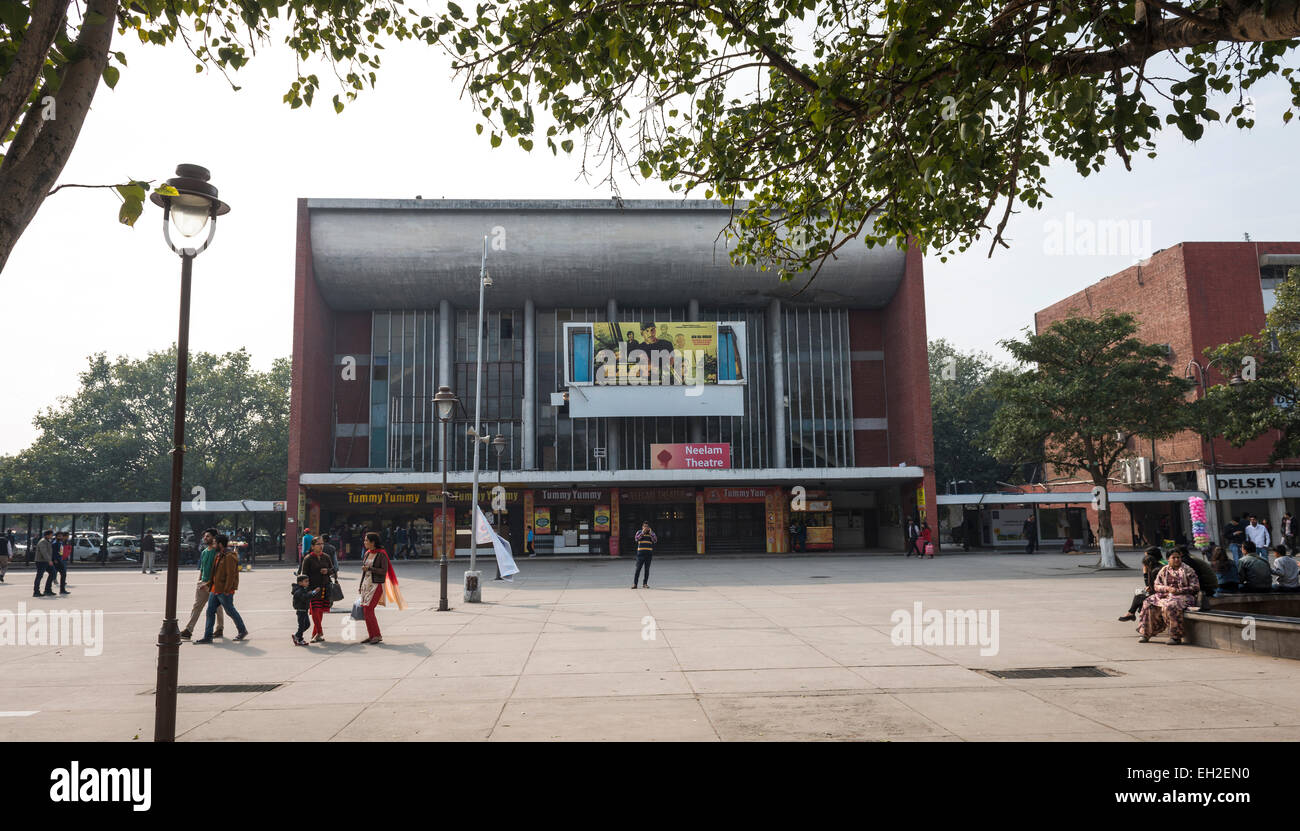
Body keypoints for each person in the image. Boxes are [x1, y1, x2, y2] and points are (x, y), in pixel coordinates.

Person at [1138, 547, 1200, 644]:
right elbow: (1156, 585)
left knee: (1171, 605)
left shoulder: (1188, 570)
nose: (1176, 560)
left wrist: (1178, 591)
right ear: (1168, 559)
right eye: (1173, 558)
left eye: (1178, 557)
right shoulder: (1164, 570)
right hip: (1166, 595)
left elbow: (1195, 587)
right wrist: (1167, 589)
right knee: (1148, 602)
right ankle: (1146, 633)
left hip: (1184, 596)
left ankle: (1175, 636)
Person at [194, 534, 249, 643]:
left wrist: (227, 590)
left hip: (224, 590)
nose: (213, 545)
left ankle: (242, 630)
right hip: (215, 589)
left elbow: (231, 575)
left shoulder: (229, 556)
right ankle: (208, 636)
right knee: (210, 611)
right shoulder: (219, 555)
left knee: (230, 611)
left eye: (215, 543)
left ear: (220, 544)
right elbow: (215, 574)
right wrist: (208, 584)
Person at [181, 529, 224, 640]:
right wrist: (199, 580)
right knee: (197, 606)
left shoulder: (218, 553)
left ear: (214, 538)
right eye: (205, 536)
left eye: (208, 536)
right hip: (203, 583)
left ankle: (219, 628)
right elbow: (202, 568)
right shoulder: (204, 552)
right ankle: (188, 630)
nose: (205, 538)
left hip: (214, 584)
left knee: (218, 607)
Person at [300, 537, 336, 642]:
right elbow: (304, 575)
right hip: (313, 589)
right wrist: (306, 589)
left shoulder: (326, 557)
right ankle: (319, 632)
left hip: (325, 587)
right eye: (318, 544)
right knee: (315, 611)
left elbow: (333, 570)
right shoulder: (308, 558)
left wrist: (327, 571)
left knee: (320, 612)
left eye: (322, 544)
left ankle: (315, 634)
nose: (321, 546)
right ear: (312, 546)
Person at [359, 531, 390, 644]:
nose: (365, 542)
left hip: (377, 584)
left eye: (366, 540)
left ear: (373, 542)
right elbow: (364, 570)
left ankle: (377, 635)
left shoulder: (381, 554)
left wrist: (370, 569)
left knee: (369, 609)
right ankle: (371, 635)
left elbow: (384, 571)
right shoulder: (367, 553)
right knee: (365, 610)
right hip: (366, 584)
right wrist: (361, 585)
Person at [1119, 548, 1163, 621]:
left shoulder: (1156, 569)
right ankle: (1131, 613)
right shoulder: (1157, 566)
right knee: (1139, 593)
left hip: (1160, 594)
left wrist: (1145, 573)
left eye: (1146, 556)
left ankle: (1131, 614)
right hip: (1158, 591)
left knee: (1139, 596)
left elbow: (1149, 586)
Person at [291, 574, 317, 646]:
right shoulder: (299, 591)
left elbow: (307, 597)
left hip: (304, 610)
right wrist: (313, 592)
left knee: (307, 625)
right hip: (300, 610)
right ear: (300, 583)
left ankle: (297, 636)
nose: (307, 583)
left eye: (308, 581)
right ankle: (299, 638)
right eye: (306, 581)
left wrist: (311, 593)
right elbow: (305, 598)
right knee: (302, 626)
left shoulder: (303, 589)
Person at [632, 521, 656, 589]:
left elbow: (655, 540)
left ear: (649, 527)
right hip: (640, 554)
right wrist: (642, 533)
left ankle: (645, 584)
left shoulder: (652, 533)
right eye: (644, 526)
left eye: (647, 527)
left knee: (647, 569)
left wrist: (651, 534)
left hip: (649, 554)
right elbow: (636, 539)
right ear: (642, 527)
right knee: (638, 569)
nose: (646, 528)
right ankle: (635, 584)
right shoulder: (639, 532)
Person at [32, 529, 55, 598]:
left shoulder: (48, 541)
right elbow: (44, 552)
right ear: (47, 535)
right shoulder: (42, 542)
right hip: (41, 561)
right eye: (51, 535)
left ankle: (47, 590)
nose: (52, 536)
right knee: (39, 576)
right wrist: (49, 560)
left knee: (53, 573)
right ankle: (36, 591)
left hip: (46, 561)